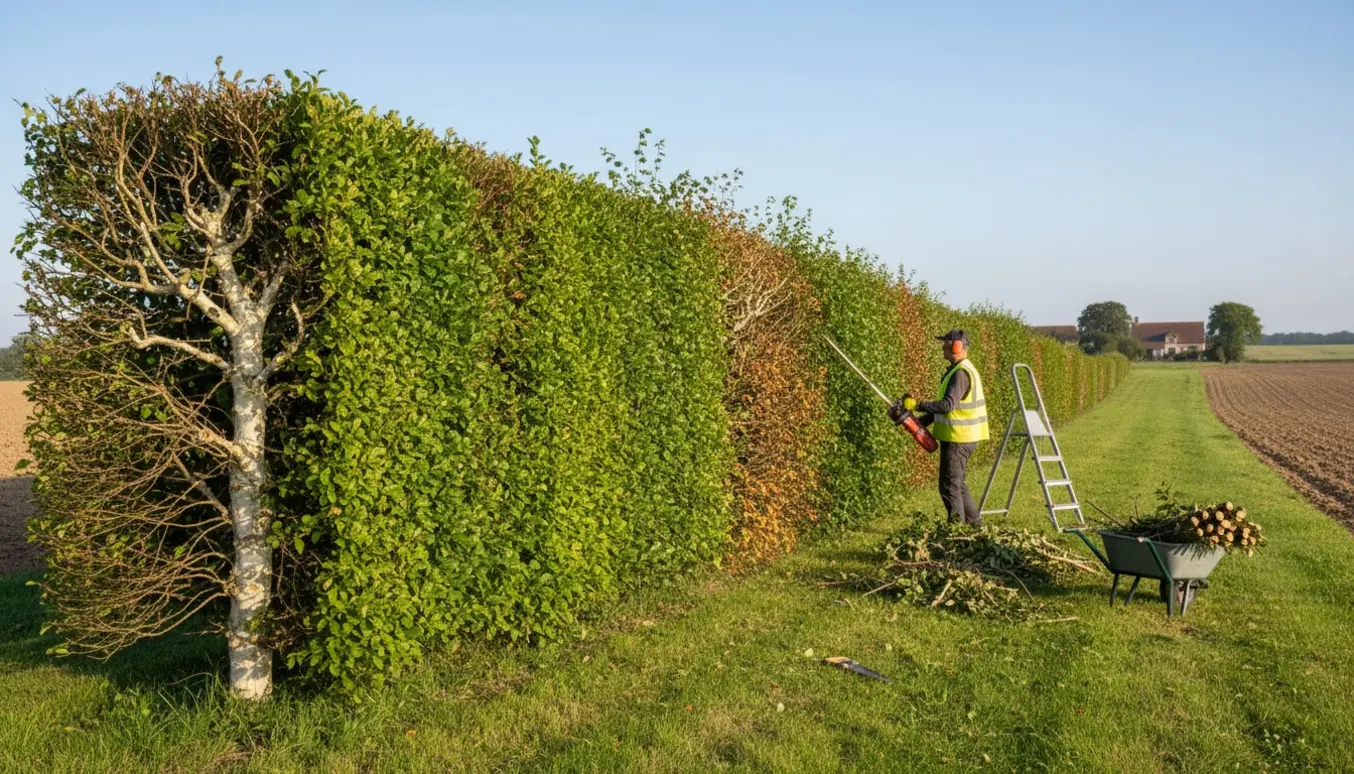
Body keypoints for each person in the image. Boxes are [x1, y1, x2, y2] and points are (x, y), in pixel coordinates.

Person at [888, 329, 990, 526]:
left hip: (958, 438)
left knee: (949, 486)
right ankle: (975, 524)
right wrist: (917, 422)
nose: (942, 346)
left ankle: (957, 531)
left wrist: (916, 405)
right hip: (962, 436)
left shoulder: (960, 373)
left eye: (945, 342)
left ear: (956, 346)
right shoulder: (959, 369)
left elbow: (947, 405)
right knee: (957, 484)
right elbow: (944, 411)